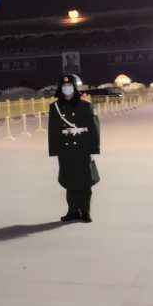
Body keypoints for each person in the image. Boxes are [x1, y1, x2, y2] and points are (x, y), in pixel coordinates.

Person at [48, 73, 100, 223]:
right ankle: (72, 211)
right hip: (65, 150)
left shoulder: (85, 105)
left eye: (69, 86)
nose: (67, 88)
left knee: (85, 181)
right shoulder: (55, 107)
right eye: (64, 86)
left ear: (74, 87)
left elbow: (94, 128)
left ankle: (85, 211)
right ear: (60, 88)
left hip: (82, 149)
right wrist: (55, 150)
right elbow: (53, 130)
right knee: (69, 181)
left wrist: (93, 149)